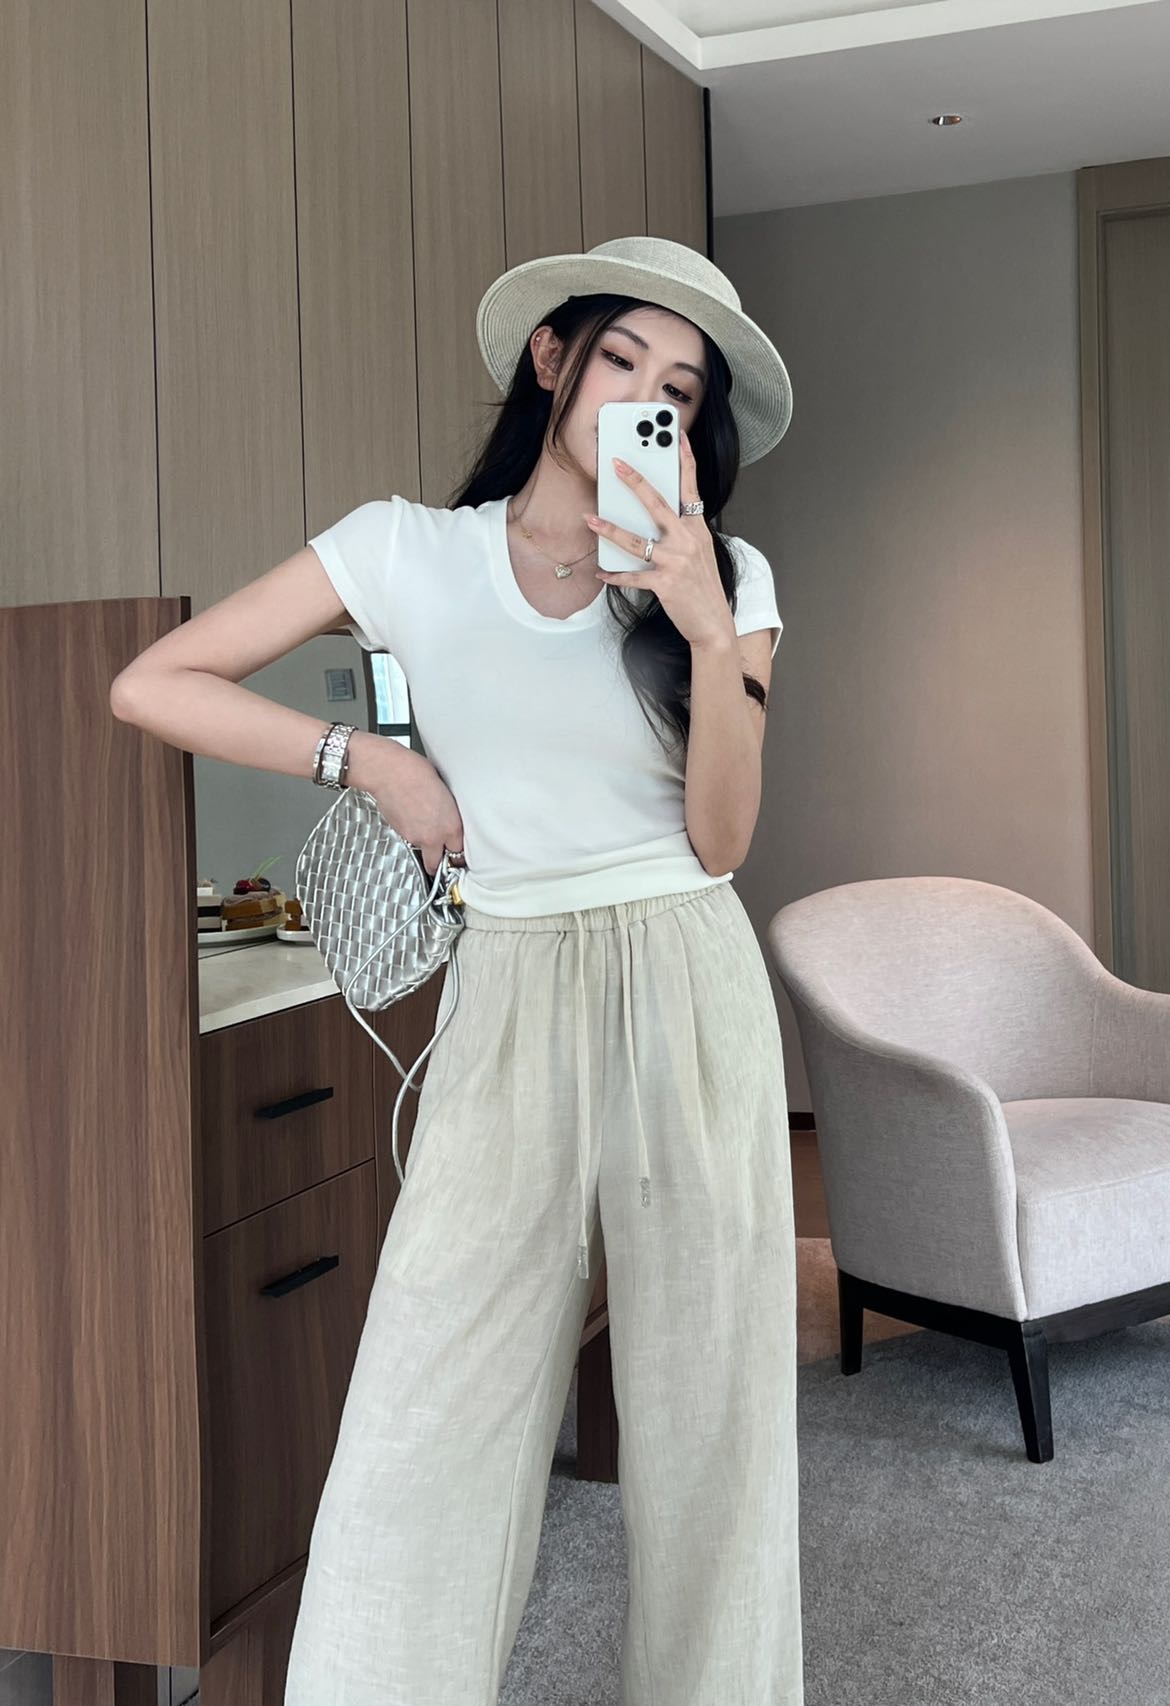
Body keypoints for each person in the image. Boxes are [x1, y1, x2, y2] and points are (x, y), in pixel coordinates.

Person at [110, 233, 802, 1704]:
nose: (645, 399)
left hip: (688, 976)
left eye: (679, 388)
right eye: (622, 359)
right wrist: (368, 761)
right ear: (552, 357)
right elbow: (152, 682)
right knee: (426, 1406)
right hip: (510, 982)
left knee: (713, 1414)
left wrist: (701, 622)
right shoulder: (404, 550)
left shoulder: (728, 576)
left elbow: (726, 839)